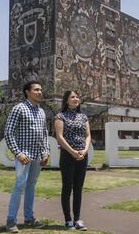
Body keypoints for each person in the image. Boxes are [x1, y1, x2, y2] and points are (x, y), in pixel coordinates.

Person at [4, 80, 50, 233]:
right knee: (19, 186)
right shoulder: (19, 109)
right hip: (23, 155)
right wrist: (18, 153)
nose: (40, 92)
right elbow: (8, 132)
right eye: (36, 90)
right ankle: (11, 221)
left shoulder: (42, 111)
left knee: (31, 186)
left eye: (40, 89)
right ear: (27, 92)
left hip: (38, 156)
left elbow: (44, 134)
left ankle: (29, 218)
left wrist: (46, 152)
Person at [54, 90, 91, 231]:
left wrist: (85, 150)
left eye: (77, 96)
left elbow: (88, 136)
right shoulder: (60, 116)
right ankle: (68, 220)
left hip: (82, 155)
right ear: (66, 100)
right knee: (67, 187)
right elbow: (59, 137)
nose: (76, 98)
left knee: (78, 189)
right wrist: (73, 152)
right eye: (72, 97)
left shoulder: (83, 117)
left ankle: (77, 219)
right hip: (67, 156)